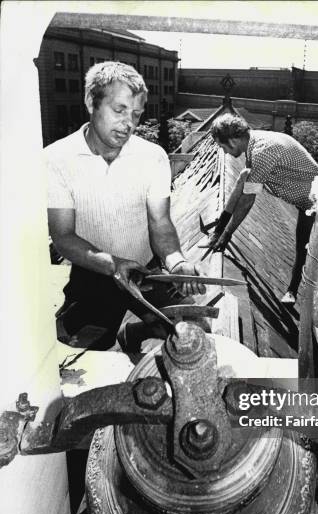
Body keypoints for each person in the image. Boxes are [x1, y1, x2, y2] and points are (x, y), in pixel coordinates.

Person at [44, 61, 205, 351]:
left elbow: (160, 222)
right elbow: (63, 237)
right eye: (119, 110)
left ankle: (133, 333)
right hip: (93, 271)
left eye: (136, 114)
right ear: (91, 102)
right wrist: (114, 264)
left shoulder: (153, 157)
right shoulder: (55, 160)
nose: (129, 123)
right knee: (78, 351)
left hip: (148, 271)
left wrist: (176, 261)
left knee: (194, 333)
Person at [209, 114, 318, 304]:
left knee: (304, 249)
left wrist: (226, 235)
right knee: (301, 247)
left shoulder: (262, 151)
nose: (224, 152)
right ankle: (294, 291)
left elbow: (247, 200)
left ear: (232, 140)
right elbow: (241, 184)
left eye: (223, 147)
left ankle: (295, 293)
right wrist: (218, 231)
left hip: (317, 202)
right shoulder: (253, 142)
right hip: (305, 199)